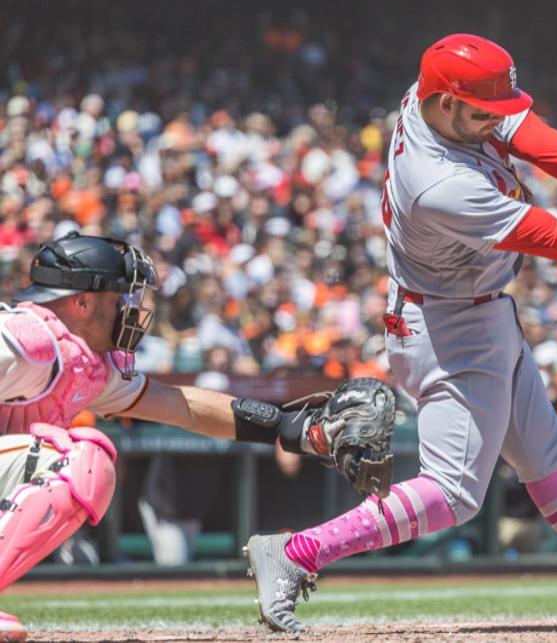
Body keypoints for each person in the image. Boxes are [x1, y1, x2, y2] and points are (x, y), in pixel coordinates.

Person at [244, 33, 557, 632]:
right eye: (484, 113)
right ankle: (293, 555)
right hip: (447, 326)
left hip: (479, 309)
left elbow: (542, 145)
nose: (497, 123)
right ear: (447, 104)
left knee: (554, 472)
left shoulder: (439, 101)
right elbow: (554, 239)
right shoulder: (437, 183)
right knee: (453, 494)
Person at [0, 232, 391, 643]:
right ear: (82, 302)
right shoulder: (30, 339)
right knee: (80, 461)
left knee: (82, 459)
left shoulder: (83, 362)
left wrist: (288, 428)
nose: (128, 310)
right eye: (119, 299)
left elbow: (179, 405)